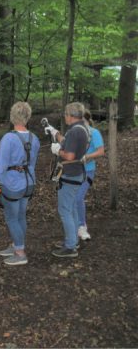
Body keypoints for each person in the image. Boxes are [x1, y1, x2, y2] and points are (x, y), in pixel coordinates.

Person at [0, 102, 40, 266]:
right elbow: (32, 162)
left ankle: (20, 252)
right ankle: (17, 244)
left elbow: (1, 162)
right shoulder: (34, 138)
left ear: (12, 116)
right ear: (28, 116)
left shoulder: (9, 138)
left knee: (11, 218)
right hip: (28, 183)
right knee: (20, 215)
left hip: (13, 184)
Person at [45, 102, 90, 258]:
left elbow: (69, 155)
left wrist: (58, 150)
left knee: (65, 210)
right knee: (71, 208)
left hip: (70, 174)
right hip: (77, 173)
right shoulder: (82, 128)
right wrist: (55, 132)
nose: (64, 116)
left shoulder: (74, 132)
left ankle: (70, 247)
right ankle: (73, 240)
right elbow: (68, 143)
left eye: (65, 114)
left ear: (70, 115)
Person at [76, 110, 105, 240]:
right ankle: (74, 227)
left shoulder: (94, 133)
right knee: (72, 199)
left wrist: (87, 156)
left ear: (85, 119)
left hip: (88, 171)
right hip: (73, 171)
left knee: (78, 197)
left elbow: (100, 152)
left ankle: (82, 227)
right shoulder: (76, 132)